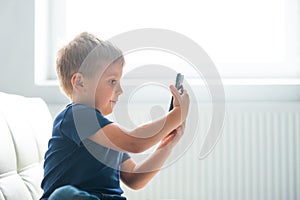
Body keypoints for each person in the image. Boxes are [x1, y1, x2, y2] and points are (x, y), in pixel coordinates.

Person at [40, 32, 190, 200]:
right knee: (65, 194)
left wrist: (167, 144)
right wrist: (177, 114)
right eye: (112, 81)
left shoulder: (106, 133)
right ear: (80, 83)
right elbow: (134, 142)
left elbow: (134, 178)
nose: (120, 90)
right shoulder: (75, 116)